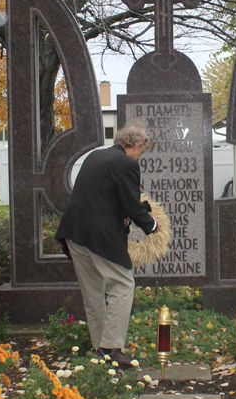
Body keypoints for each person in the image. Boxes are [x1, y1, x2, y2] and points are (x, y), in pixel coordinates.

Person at [55, 120, 158, 367]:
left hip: (74, 232)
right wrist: (151, 225)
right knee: (123, 284)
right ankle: (112, 348)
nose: (139, 159)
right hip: (99, 236)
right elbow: (132, 204)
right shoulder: (126, 164)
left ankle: (100, 348)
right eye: (141, 153)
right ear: (135, 144)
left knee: (93, 292)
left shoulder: (95, 157)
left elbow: (103, 196)